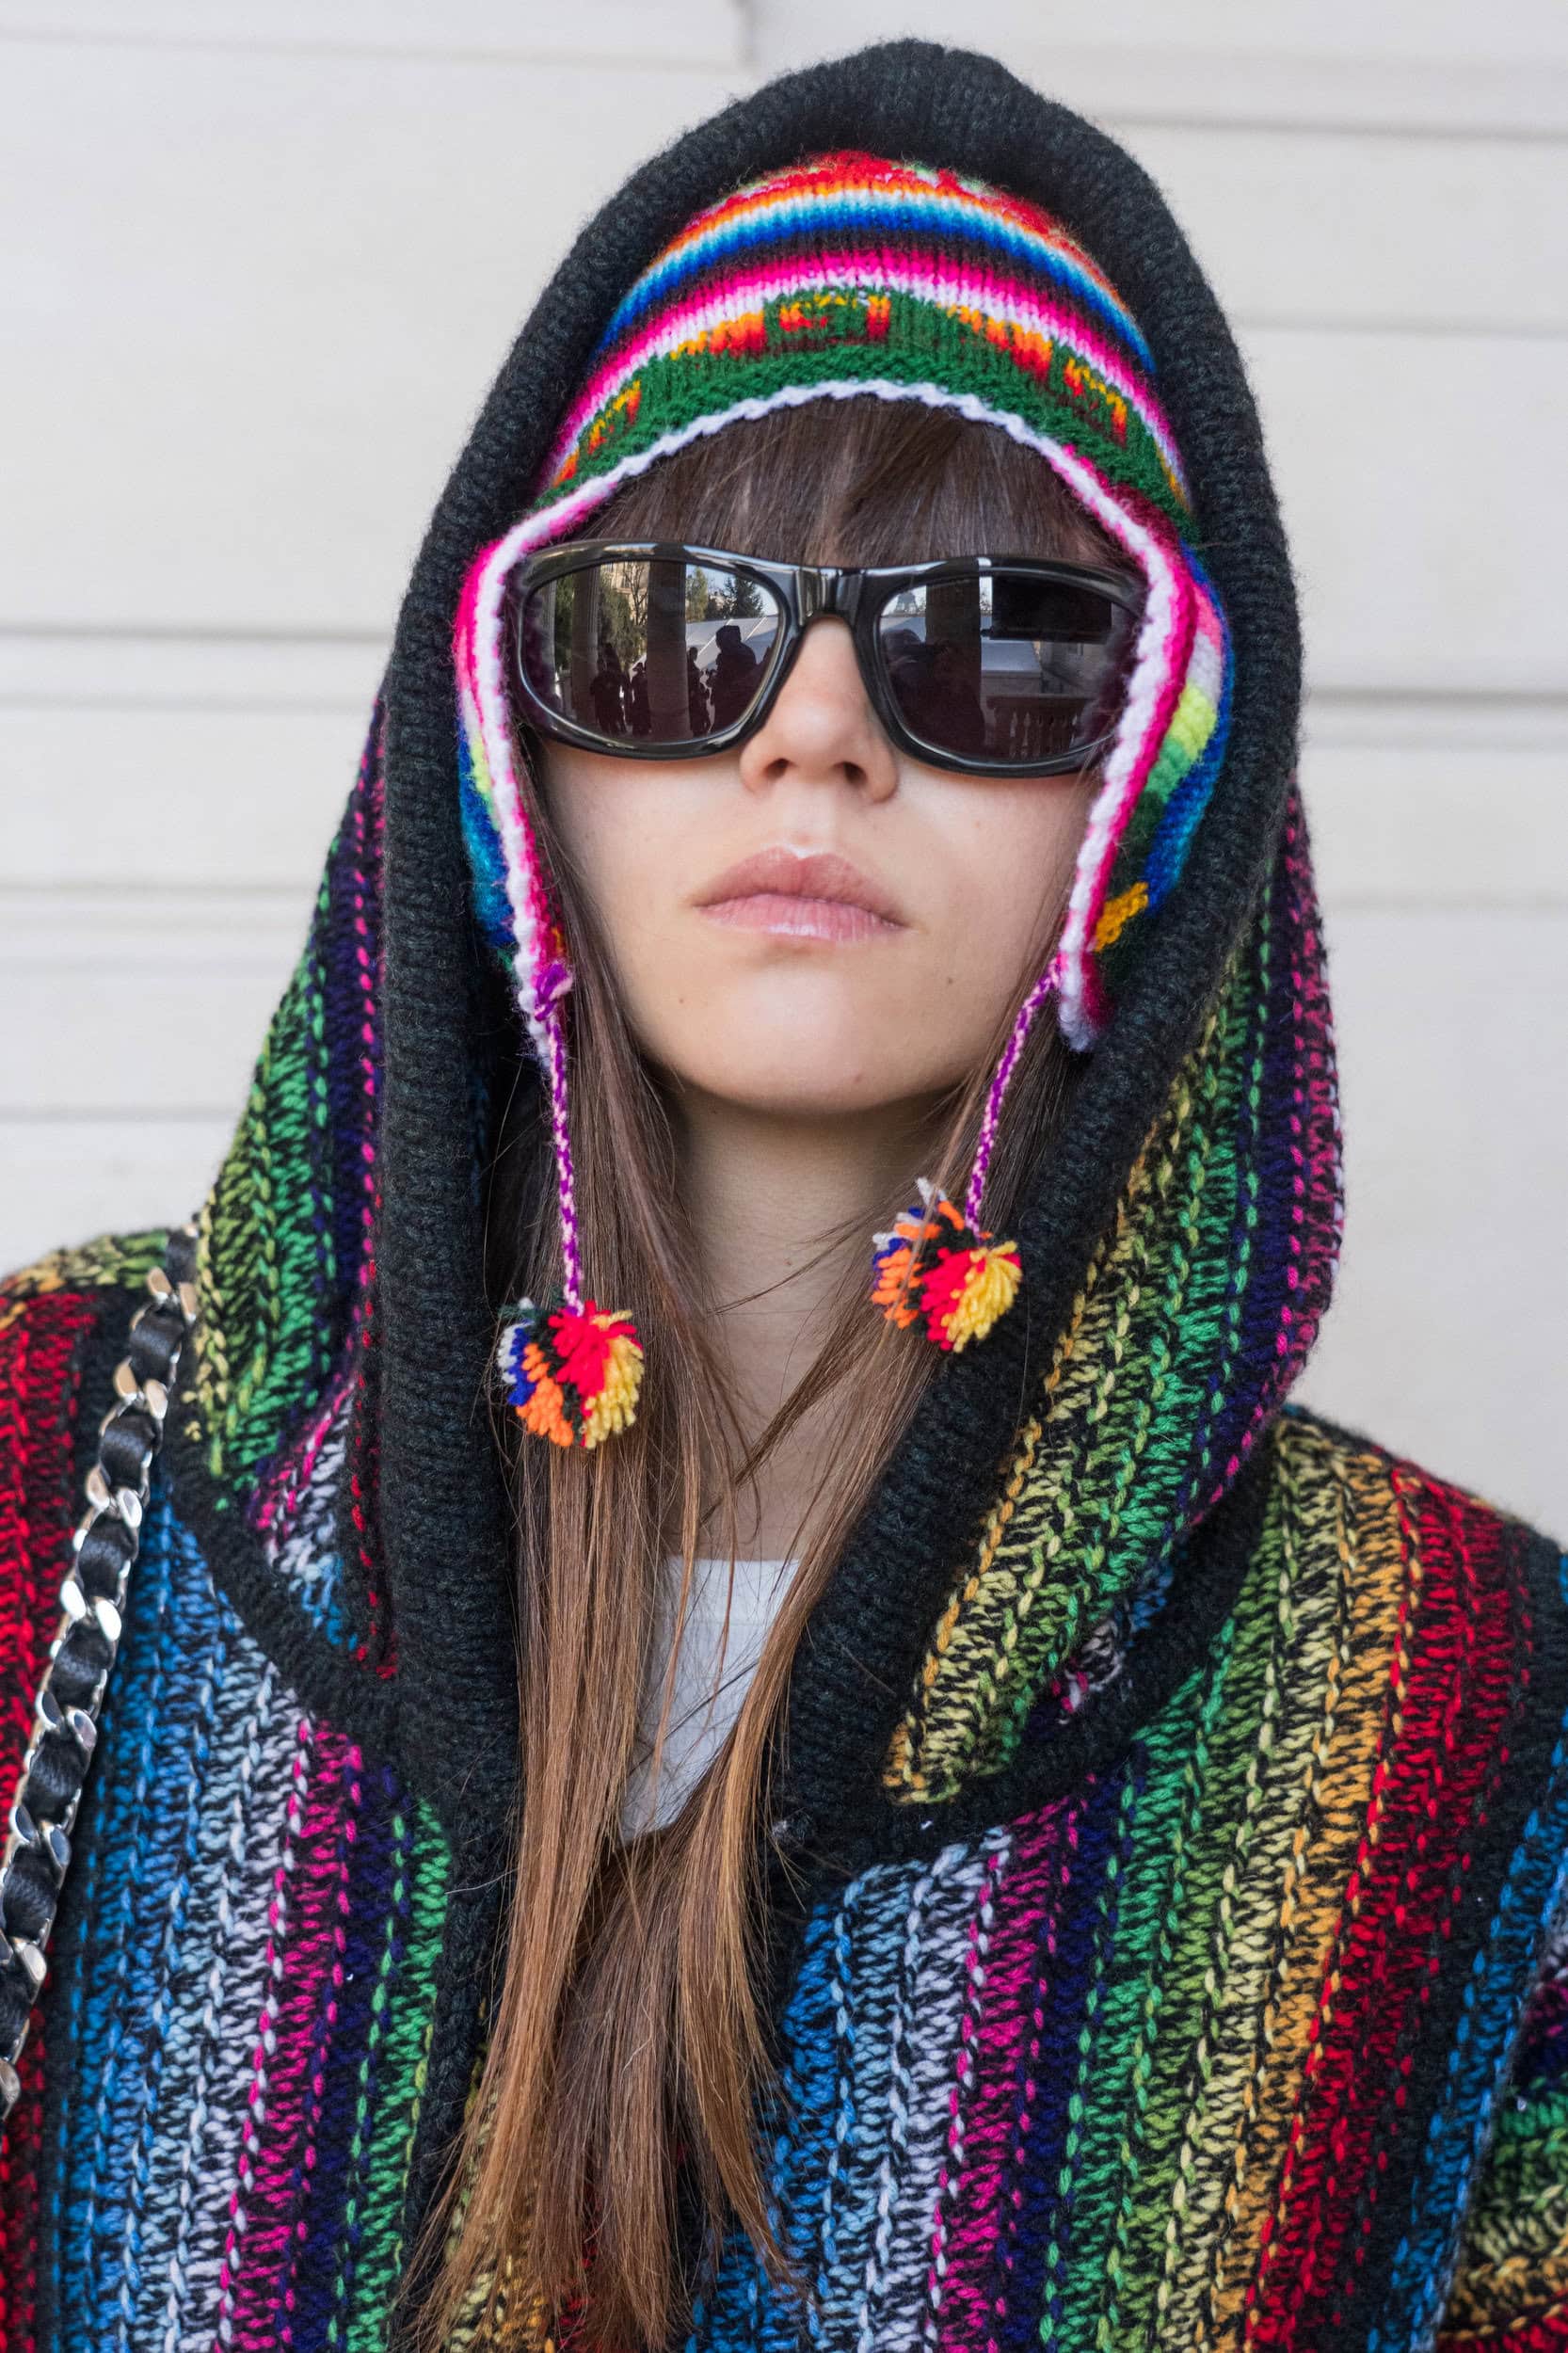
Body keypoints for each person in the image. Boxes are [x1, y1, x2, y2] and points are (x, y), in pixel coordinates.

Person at [0, 43, 1561, 2353]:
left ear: (1154, 786)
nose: (808, 727)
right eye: (662, 626)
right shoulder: (55, 1463)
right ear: (504, 747)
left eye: (999, 642)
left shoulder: (1458, 1714)